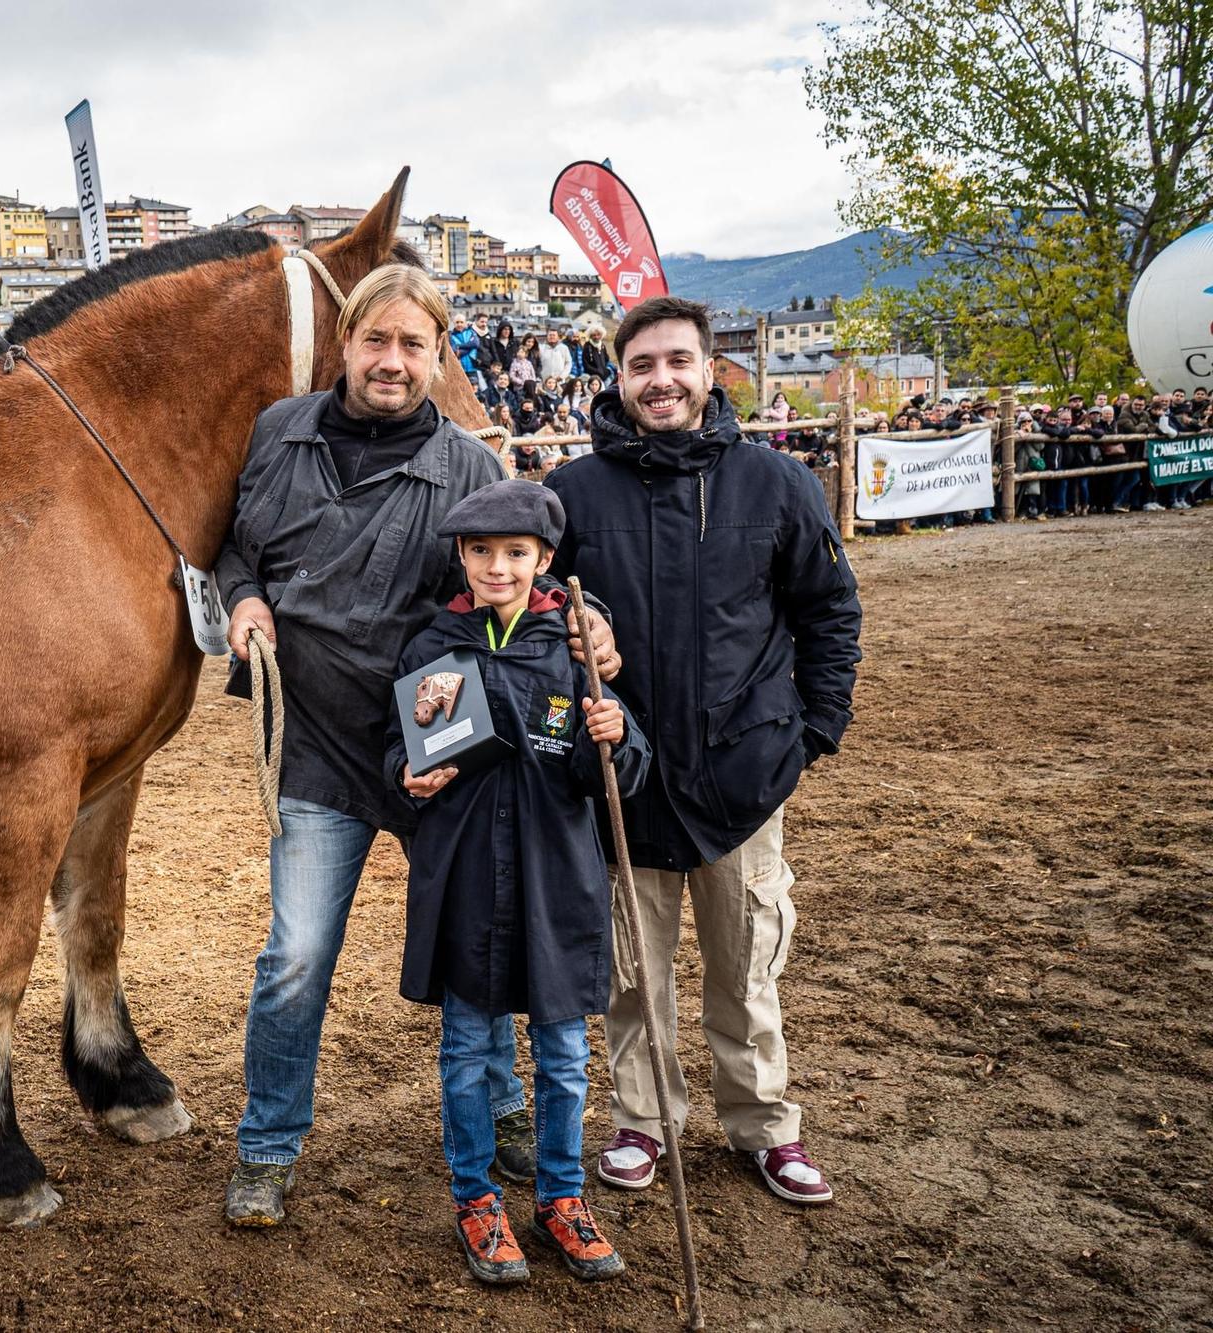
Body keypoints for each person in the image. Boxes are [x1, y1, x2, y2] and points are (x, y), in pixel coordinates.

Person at [215, 263, 619, 1228]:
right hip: (317, 743)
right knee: (299, 953)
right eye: (376, 340)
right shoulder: (279, 433)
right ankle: (268, 1145)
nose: (392, 361)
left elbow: (527, 576)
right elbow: (231, 543)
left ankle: (510, 1108)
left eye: (414, 345)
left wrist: (588, 619)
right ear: (346, 342)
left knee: (488, 930)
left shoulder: (470, 467)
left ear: (438, 358)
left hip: (450, 750)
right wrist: (244, 595)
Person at [544, 295, 862, 1208]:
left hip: (743, 777)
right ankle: (643, 1119)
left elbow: (829, 613)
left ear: (708, 368)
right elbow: (533, 624)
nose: (661, 380)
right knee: (634, 974)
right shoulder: (571, 497)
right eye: (642, 365)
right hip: (625, 779)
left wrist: (810, 734)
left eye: (678, 361)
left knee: (746, 965)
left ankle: (764, 1124)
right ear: (618, 375)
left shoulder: (775, 483)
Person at [386, 480, 648, 1286]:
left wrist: (617, 735)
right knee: (466, 1048)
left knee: (565, 1052)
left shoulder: (570, 647)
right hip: (465, 876)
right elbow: (398, 751)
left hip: (555, 879)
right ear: (460, 558)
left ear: (543, 559)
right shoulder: (434, 645)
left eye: (515, 553)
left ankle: (563, 1195)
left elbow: (619, 772)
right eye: (480, 552)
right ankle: (477, 1197)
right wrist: (409, 776)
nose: (497, 567)